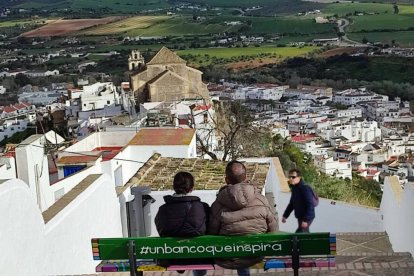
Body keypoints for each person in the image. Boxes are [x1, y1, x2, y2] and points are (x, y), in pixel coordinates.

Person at [208, 160, 277, 276]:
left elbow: (211, 232)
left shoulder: (217, 205)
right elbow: (273, 229)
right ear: (246, 178)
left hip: (227, 255)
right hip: (256, 253)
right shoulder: (261, 200)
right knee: (245, 255)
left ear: (226, 180)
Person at [155, 171, 209, 276]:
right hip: (199, 256)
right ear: (192, 188)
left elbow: (161, 230)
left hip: (172, 257)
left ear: (174, 187)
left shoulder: (163, 209)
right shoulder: (202, 207)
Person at [281, 168, 315, 233]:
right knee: (302, 234)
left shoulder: (304, 188)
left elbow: (310, 205)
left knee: (301, 234)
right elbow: (291, 204)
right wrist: (285, 216)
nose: (291, 179)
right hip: (300, 217)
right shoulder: (295, 188)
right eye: (289, 177)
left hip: (306, 217)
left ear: (299, 177)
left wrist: (305, 220)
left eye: (293, 177)